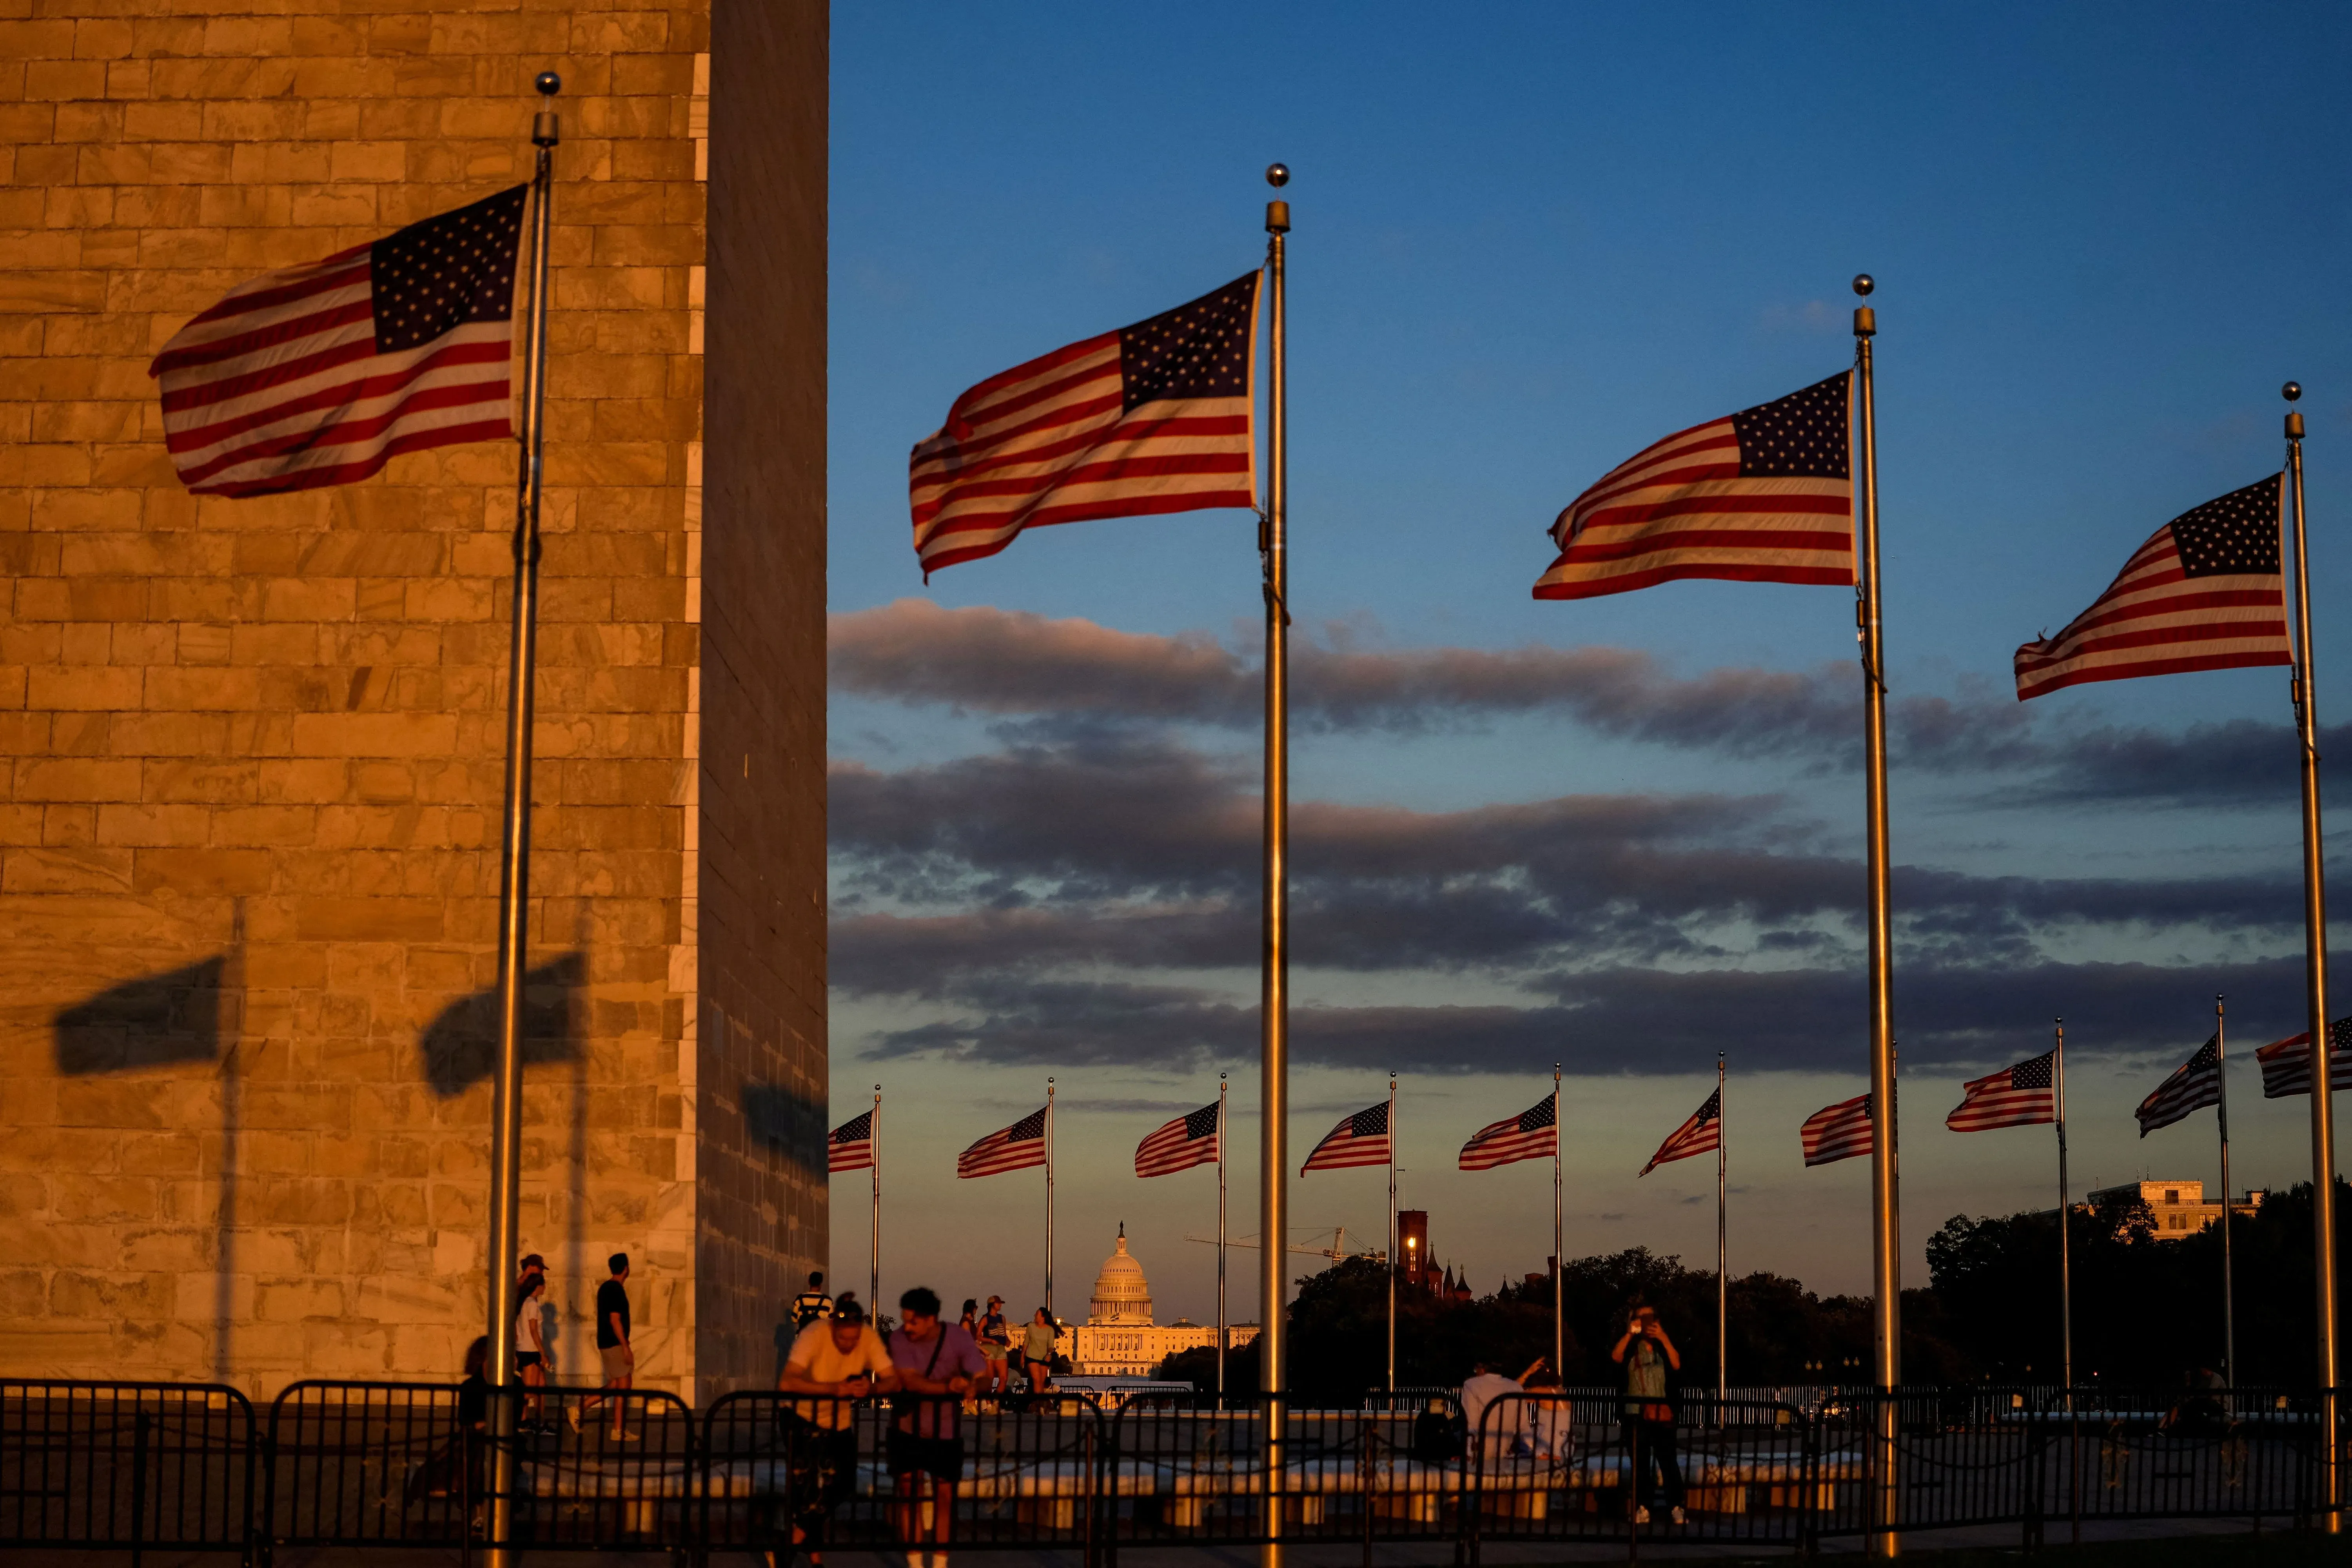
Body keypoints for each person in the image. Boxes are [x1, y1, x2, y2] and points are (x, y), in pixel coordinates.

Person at [776, 1292, 896, 1568]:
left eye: (854, 1340)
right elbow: (787, 1382)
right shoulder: (814, 1334)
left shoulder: (867, 1336)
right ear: (833, 1328)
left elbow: (893, 1381)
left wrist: (871, 1388)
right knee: (808, 1489)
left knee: (843, 1484)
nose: (849, 1345)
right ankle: (815, 1559)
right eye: (843, 1340)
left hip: (837, 1421)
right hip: (799, 1414)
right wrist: (835, 1389)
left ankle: (792, 1541)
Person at [887, 1287, 988, 1568]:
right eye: (905, 1320)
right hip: (907, 1427)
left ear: (931, 1319)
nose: (907, 1327)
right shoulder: (900, 1339)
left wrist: (971, 1386)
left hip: (945, 1431)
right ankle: (916, 1564)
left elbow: (982, 1375)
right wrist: (950, 1387)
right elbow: (910, 1382)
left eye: (913, 1321)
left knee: (944, 1498)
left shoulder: (956, 1337)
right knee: (909, 1495)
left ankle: (940, 1565)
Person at [1612, 1303, 1684, 1525]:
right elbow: (1615, 1359)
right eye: (1640, 1318)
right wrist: (1628, 1333)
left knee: (1669, 1463)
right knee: (1641, 1465)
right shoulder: (1631, 1346)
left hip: (1663, 1413)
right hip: (1636, 1413)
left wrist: (1663, 1337)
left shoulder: (1663, 1345)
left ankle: (1677, 1506)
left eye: (1649, 1318)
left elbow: (1677, 1365)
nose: (1645, 1322)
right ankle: (1643, 1507)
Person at [571, 1252, 636, 1441]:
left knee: (616, 1384)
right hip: (614, 1343)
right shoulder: (615, 1289)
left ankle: (579, 1408)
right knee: (624, 1385)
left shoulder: (606, 1288)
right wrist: (625, 1346)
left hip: (607, 1342)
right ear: (626, 1268)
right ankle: (618, 1430)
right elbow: (615, 1320)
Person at [1459, 1358, 1524, 1454]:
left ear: (1482, 1369)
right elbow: (1523, 1424)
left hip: (1480, 1448)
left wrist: (1469, 1452)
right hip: (1505, 1447)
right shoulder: (1516, 1387)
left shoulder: (1471, 1385)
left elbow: (1470, 1421)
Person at [515, 1271, 549, 1431]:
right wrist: (543, 1353)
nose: (545, 1288)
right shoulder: (532, 1305)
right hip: (530, 1351)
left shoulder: (524, 1302)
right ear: (538, 1286)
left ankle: (540, 1421)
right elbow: (534, 1330)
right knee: (529, 1391)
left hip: (524, 1349)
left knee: (541, 1386)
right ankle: (516, 1418)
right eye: (544, 1285)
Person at [977, 1296, 1011, 1396]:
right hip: (989, 1348)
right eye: (998, 1303)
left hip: (1001, 1348)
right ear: (992, 1305)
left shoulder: (1002, 1318)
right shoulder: (985, 1319)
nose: (1000, 1305)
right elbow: (978, 1336)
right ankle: (989, 1403)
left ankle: (996, 1401)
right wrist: (991, 1340)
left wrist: (1007, 1340)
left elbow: (1004, 1333)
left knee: (1004, 1378)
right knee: (990, 1378)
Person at [1020, 1307, 1057, 1396]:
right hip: (1032, 1357)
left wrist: (1049, 1354)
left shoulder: (1050, 1330)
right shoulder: (1031, 1327)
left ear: (1043, 1317)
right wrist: (1022, 1357)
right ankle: (1038, 1402)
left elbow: (1051, 1346)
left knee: (1042, 1381)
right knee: (1037, 1380)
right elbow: (1026, 1343)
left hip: (1044, 1358)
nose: (1035, 1316)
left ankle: (1040, 1401)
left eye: (1037, 1314)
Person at [791, 1270, 833, 1335]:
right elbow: (832, 1321)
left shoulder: (800, 1299)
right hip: (820, 1339)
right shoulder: (828, 1301)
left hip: (803, 1339)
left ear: (809, 1282)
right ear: (821, 1284)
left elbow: (794, 1319)